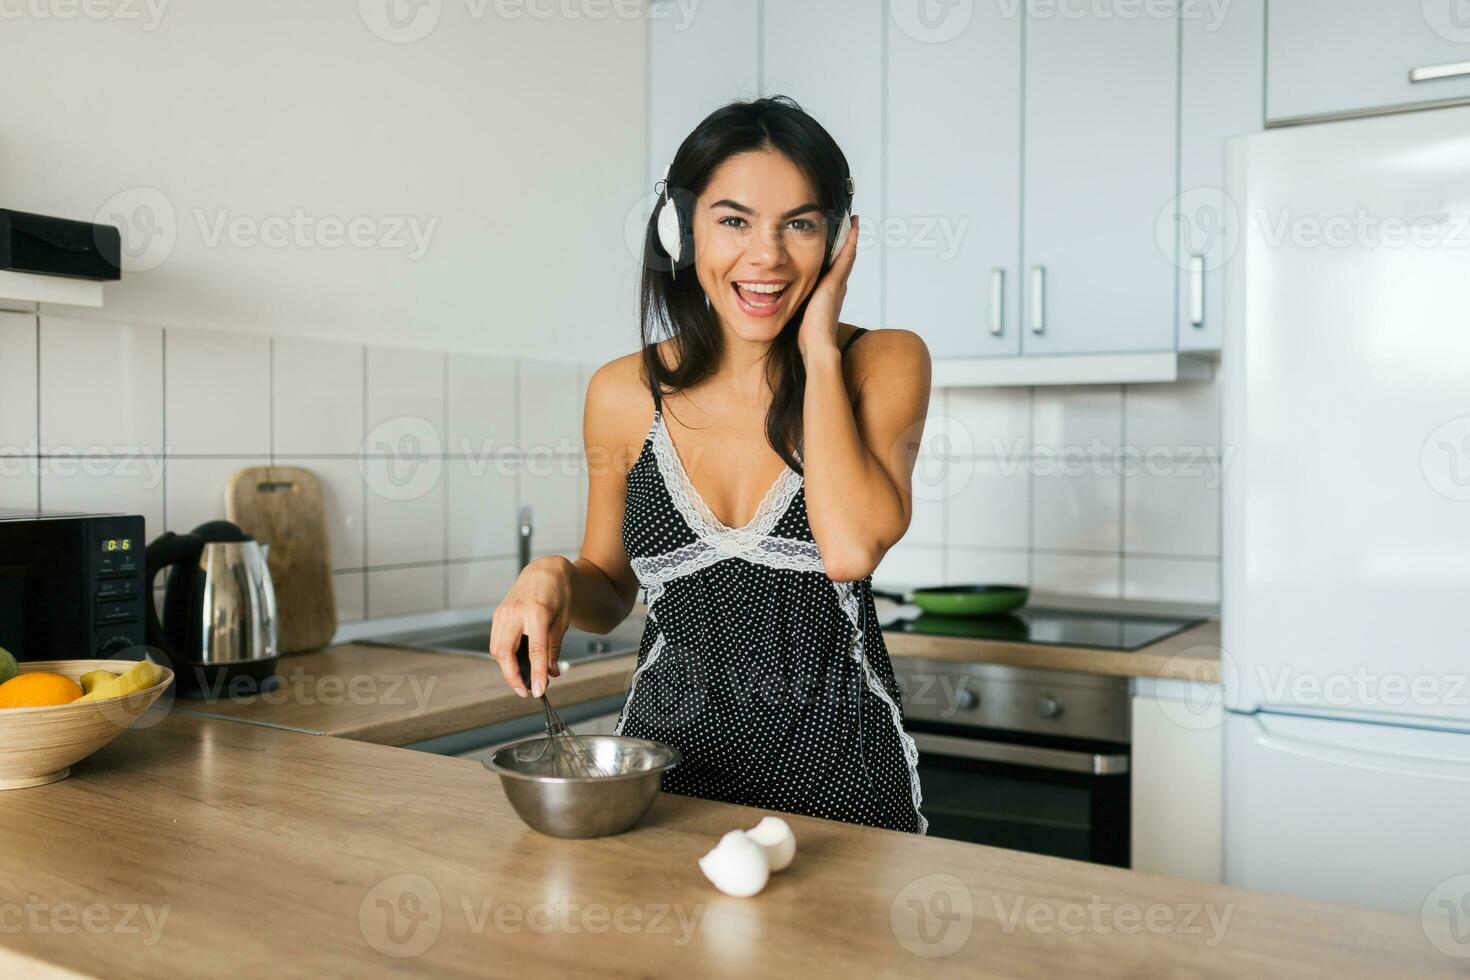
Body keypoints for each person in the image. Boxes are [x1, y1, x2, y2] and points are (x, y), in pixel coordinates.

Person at [489, 95, 931, 834]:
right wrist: (555, 575)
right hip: (667, 789)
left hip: (847, 798)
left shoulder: (879, 363)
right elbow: (608, 590)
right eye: (734, 221)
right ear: (683, 229)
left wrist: (818, 346)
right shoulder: (623, 393)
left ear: (836, 238)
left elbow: (850, 549)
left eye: (800, 223)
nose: (767, 256)